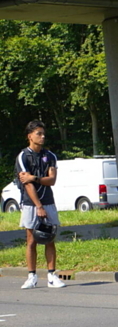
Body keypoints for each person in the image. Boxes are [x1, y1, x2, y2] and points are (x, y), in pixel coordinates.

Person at [15, 121, 65, 289]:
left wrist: (35, 178)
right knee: (31, 240)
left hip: (48, 201)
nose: (42, 137)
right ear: (30, 136)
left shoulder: (50, 156)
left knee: (49, 238)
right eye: (39, 134)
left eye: (43, 134)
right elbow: (26, 183)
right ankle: (32, 276)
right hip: (31, 204)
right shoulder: (23, 156)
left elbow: (52, 180)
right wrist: (38, 206)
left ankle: (52, 275)